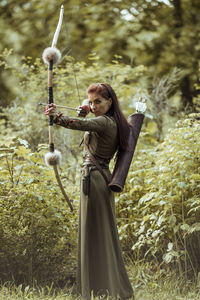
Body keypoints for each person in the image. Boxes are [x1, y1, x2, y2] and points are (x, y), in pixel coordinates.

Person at [46, 83, 134, 300]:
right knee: (98, 232)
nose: (94, 105)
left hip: (94, 179)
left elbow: (80, 124)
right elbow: (87, 120)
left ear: (110, 102)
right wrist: (84, 109)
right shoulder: (113, 120)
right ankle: (102, 286)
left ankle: (97, 288)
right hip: (98, 178)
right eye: (91, 101)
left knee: (93, 232)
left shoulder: (104, 122)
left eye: (98, 102)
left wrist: (57, 117)